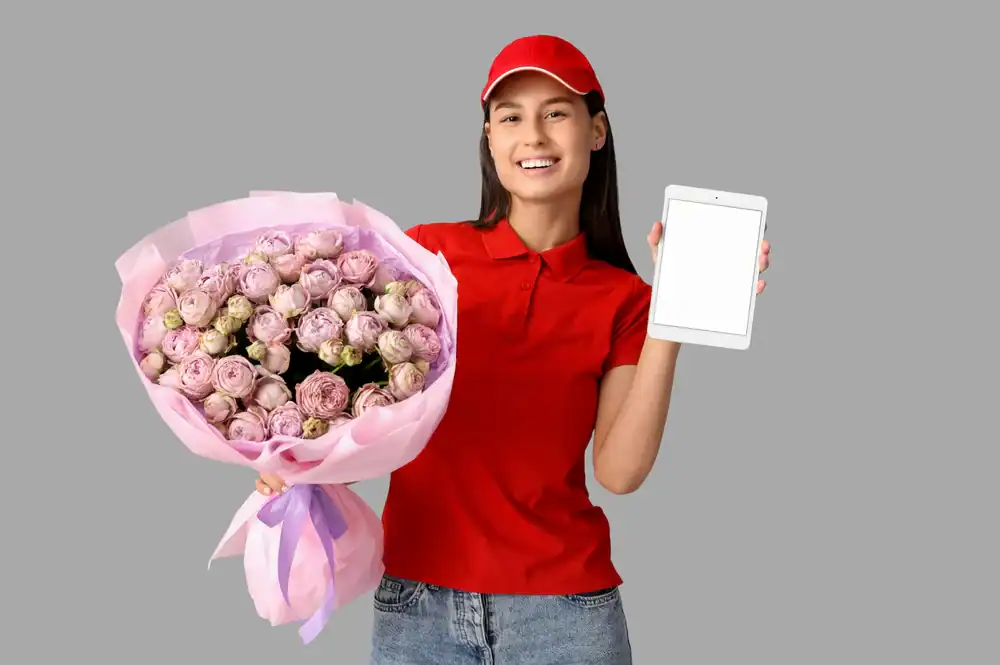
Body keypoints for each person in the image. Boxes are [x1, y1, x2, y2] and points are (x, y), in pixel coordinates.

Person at [256, 34, 771, 664]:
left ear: (597, 130)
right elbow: (374, 428)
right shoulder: (425, 256)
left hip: (566, 617)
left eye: (556, 112)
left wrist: (670, 320)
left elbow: (620, 473)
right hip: (418, 606)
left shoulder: (626, 300)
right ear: (490, 140)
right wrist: (299, 456)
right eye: (510, 118)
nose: (533, 136)